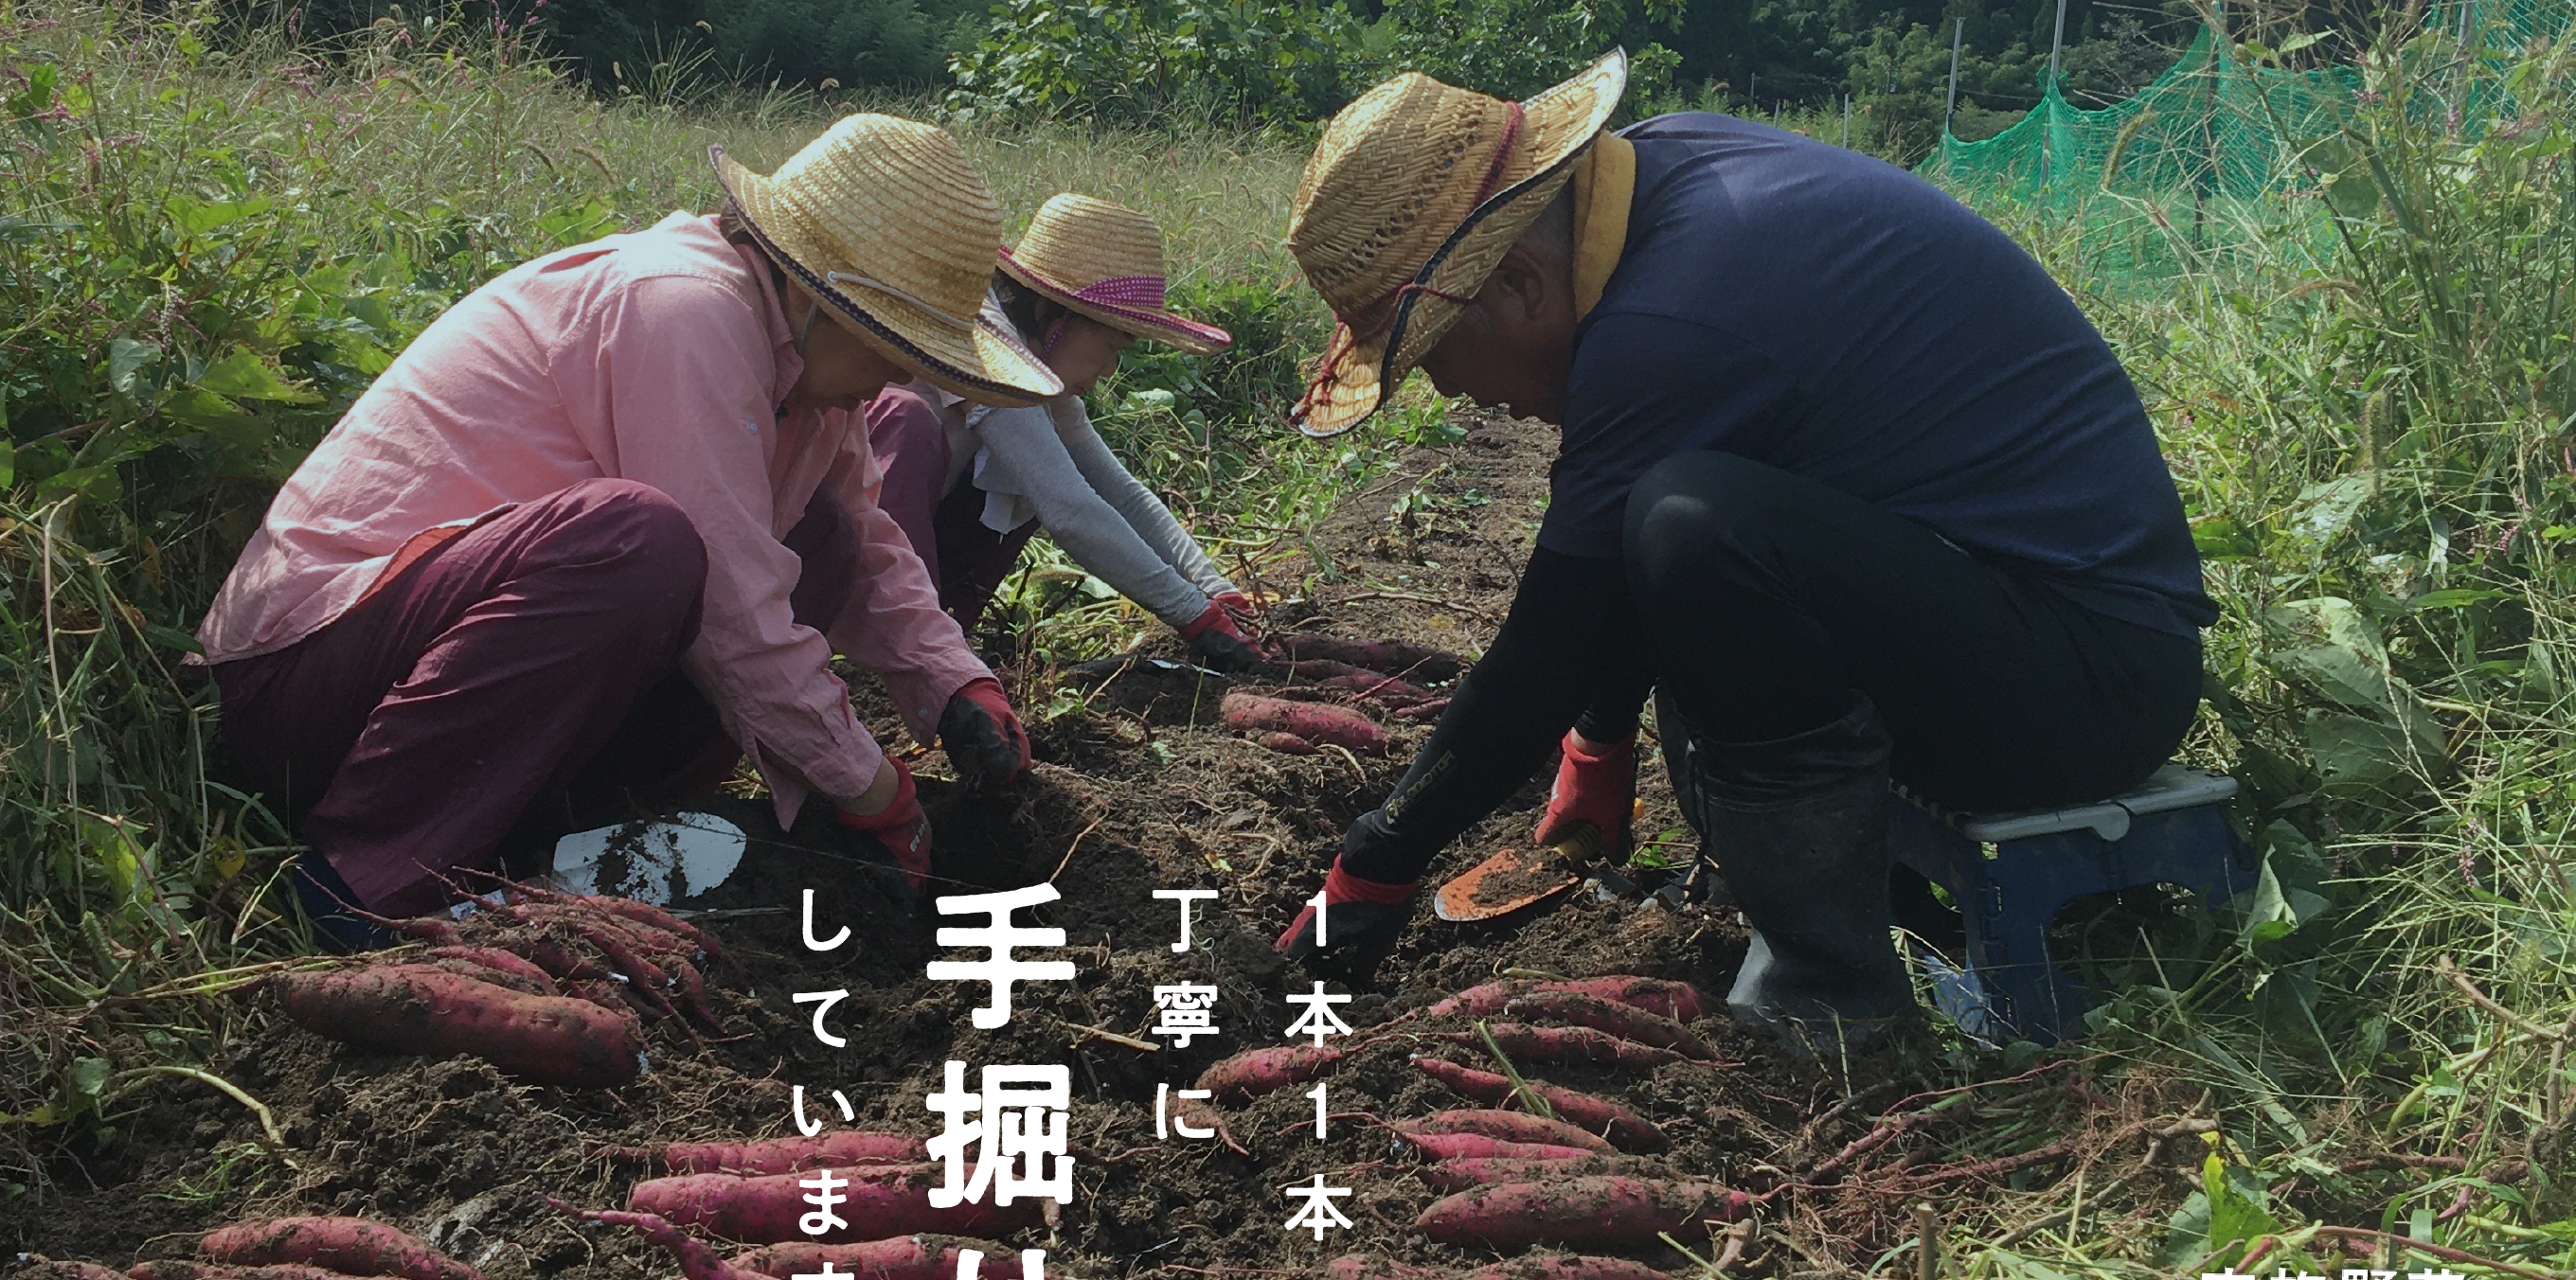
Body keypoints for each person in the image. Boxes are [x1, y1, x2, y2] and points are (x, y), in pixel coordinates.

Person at [1272, 52, 2211, 1053]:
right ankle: (1811, 890)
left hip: (2090, 683)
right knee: (1680, 533)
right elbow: (1608, 582)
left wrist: (1378, 857)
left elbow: (1550, 641)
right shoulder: (1663, 174)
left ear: (1516, 280)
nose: (1452, 396)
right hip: (2003, 614)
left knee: (1695, 526)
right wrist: (1597, 741)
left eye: (1436, 358)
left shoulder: (1671, 321)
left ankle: (1833, 1002)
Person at [188, 114, 1060, 946]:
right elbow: (731, 604)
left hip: (449, 694)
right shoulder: (685, 310)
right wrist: (868, 786)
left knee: (822, 536)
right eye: (893, 342)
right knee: (635, 537)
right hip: (309, 680)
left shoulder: (800, 366)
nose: (899, 375)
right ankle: (364, 884)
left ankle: (556, 842)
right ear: (818, 293)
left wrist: (954, 683)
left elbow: (866, 544)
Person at [866, 194, 1263, 669]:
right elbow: (1069, 508)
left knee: (1039, 468)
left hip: (905, 537)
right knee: (915, 424)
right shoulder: (985, 343)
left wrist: (1217, 590)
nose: (1108, 371)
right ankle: (905, 641)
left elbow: (1119, 491)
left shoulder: (1040, 369)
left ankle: (936, 635)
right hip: (838, 539)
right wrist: (1194, 616)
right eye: (1111, 347)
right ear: (1057, 318)